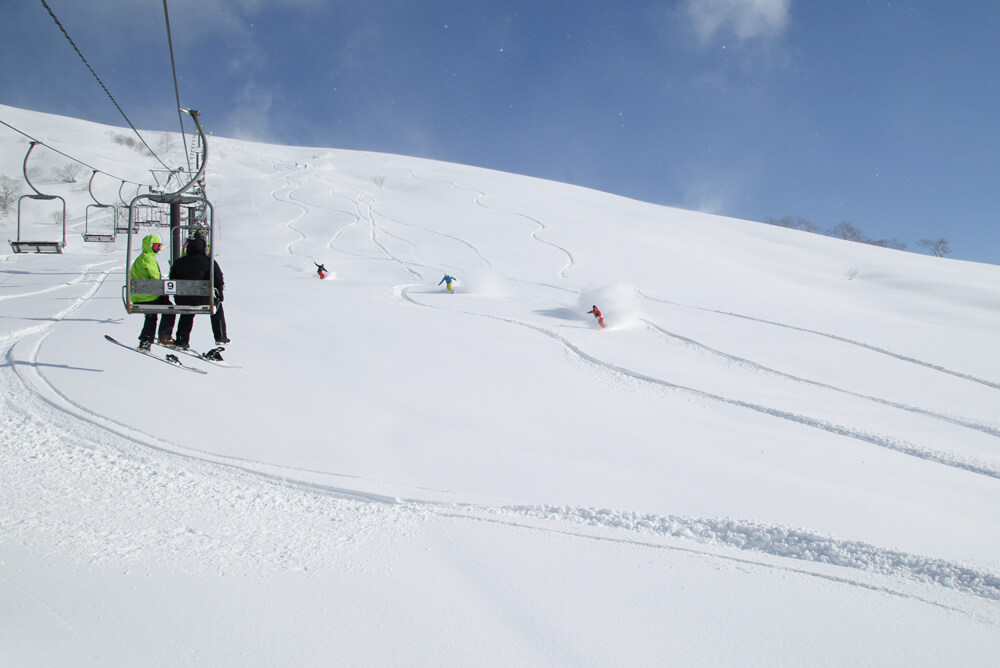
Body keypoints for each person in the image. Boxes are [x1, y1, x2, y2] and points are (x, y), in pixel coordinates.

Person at [169, 235, 228, 349]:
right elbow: (218, 279)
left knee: (187, 311)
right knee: (217, 307)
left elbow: (172, 280)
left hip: (183, 299)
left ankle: (182, 339)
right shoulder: (209, 262)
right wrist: (220, 296)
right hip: (202, 299)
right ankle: (220, 336)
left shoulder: (179, 262)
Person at [131, 233, 175, 349]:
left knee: (151, 315)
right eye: (155, 246)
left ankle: (145, 341)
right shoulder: (148, 259)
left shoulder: (140, 258)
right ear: (148, 246)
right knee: (170, 308)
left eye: (159, 247)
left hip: (138, 297)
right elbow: (155, 279)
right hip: (148, 297)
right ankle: (164, 336)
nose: (158, 250)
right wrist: (164, 295)